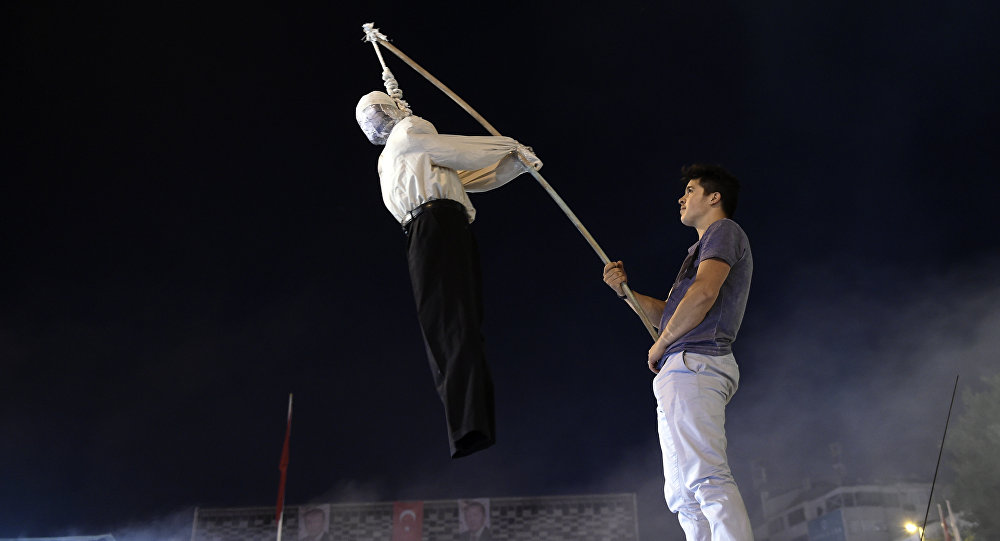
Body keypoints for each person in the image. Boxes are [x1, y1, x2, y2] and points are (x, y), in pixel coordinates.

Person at [356, 91, 541, 458]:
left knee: (451, 324)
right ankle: (467, 423)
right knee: (446, 327)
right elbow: (461, 156)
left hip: (435, 225)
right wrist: (510, 150)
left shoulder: (405, 138)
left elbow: (464, 168)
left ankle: (470, 423)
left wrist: (514, 158)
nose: (374, 126)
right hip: (431, 228)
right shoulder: (406, 137)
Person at [602, 164, 754, 540]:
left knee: (706, 476)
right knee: (682, 492)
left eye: (690, 190)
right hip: (681, 366)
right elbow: (666, 313)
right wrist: (626, 292)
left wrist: (663, 342)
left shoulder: (724, 232)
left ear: (714, 197)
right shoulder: (696, 254)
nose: (681, 198)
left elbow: (703, 295)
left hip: (697, 361)